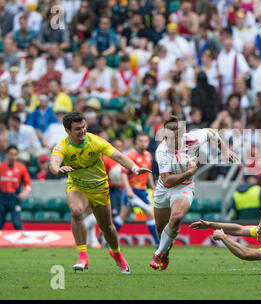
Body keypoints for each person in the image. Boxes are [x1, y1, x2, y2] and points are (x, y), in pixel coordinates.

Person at [49, 112, 151, 274]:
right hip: (77, 186)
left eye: (84, 127)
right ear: (68, 131)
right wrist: (57, 169)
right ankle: (83, 256)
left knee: (107, 227)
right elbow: (54, 161)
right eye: (78, 129)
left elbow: (118, 155)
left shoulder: (95, 141)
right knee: (76, 211)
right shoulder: (63, 146)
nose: (83, 131)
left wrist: (135, 168)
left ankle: (116, 254)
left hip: (99, 187)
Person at [150, 115, 238, 270]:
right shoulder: (162, 151)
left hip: (184, 187)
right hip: (164, 189)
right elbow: (167, 180)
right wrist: (189, 172)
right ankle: (165, 252)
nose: (174, 141)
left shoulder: (192, 138)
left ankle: (158, 253)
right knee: (160, 228)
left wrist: (224, 150)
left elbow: (212, 133)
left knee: (176, 218)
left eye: (177, 137)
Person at [114, 133, 159, 245]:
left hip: (142, 190)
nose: (143, 143)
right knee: (147, 214)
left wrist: (153, 187)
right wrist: (128, 189)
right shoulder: (131, 155)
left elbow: (148, 173)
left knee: (125, 216)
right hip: (131, 190)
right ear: (136, 142)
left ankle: (157, 243)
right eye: (140, 141)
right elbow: (124, 174)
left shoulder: (148, 155)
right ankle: (158, 242)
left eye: (145, 141)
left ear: (148, 142)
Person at [0, 146, 31, 230]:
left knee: (17, 224)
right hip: (1, 198)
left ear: (17, 156)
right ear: (6, 155)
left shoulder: (21, 168)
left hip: (14, 198)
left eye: (15, 154)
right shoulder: (1, 167)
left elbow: (28, 183)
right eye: (10, 154)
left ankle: (22, 243)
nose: (12, 157)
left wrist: (25, 192)